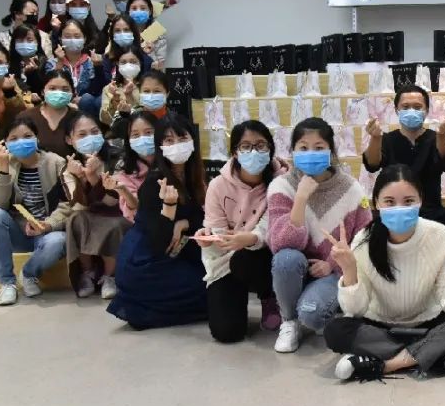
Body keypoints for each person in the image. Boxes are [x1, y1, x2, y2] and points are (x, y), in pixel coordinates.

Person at [324, 165, 445, 381]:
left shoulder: (439, 235)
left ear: (421, 200)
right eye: (389, 202)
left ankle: (386, 363)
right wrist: (349, 272)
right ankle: (434, 352)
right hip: (378, 325)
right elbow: (355, 310)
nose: (399, 208)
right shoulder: (363, 241)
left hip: (428, 321)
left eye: (409, 201)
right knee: (335, 330)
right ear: (376, 203)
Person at [266, 117, 373, 353]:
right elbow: (281, 243)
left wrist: (331, 264)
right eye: (303, 148)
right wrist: (301, 198)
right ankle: (289, 322)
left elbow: (364, 239)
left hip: (333, 272)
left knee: (312, 314)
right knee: (286, 258)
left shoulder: (351, 189)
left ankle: (318, 308)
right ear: (293, 151)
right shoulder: (281, 186)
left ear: (331, 151)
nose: (311, 154)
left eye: (319, 147)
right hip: (294, 271)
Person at [107, 114, 209, 329]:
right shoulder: (155, 181)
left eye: (182, 138)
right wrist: (169, 207)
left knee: (218, 284)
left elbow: (197, 215)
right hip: (145, 262)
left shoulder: (193, 175)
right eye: (169, 141)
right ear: (160, 147)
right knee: (209, 291)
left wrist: (184, 223)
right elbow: (158, 240)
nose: (177, 145)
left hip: (172, 252)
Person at [197, 120, 289, 343]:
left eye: (260, 145)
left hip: (264, 254)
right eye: (246, 146)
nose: (254, 152)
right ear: (235, 153)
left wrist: (251, 238)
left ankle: (269, 296)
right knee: (227, 332)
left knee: (247, 259)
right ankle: (237, 297)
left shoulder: (281, 182)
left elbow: (273, 223)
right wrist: (208, 239)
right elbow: (216, 230)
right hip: (224, 260)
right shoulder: (218, 185)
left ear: (270, 148)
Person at [0, 118, 71, 306]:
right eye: (14, 138)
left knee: (58, 241)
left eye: (27, 136)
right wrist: (2, 169)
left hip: (47, 230)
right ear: (4, 143)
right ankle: (7, 283)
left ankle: (29, 275)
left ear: (37, 138)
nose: (21, 142)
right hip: (18, 231)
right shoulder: (1, 164)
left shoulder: (56, 163)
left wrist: (47, 225)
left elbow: (68, 203)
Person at [362, 84, 445, 232]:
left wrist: (442, 135)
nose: (411, 111)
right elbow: (372, 165)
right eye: (405, 107)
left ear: (426, 111)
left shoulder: (436, 137)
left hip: (428, 211)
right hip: (395, 210)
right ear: (397, 110)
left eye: (417, 107)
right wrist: (375, 137)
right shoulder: (387, 139)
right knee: (369, 220)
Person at [63, 112, 129, 300]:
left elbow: (113, 202)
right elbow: (78, 206)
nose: (90, 138)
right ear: (69, 140)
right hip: (89, 214)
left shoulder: (117, 157)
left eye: (94, 132)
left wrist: (93, 178)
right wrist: (80, 179)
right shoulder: (69, 166)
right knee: (76, 219)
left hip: (118, 213)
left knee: (115, 224)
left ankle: (110, 277)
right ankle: (88, 273)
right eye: (82, 135)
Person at [16, 69, 75, 157]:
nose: (59, 93)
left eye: (65, 89)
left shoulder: (79, 118)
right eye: (52, 88)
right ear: (43, 91)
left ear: (72, 92)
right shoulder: (25, 117)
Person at [52, 19, 104, 116]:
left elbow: (98, 90)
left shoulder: (92, 62)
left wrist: (98, 67)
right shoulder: (52, 63)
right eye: (67, 36)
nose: (72, 40)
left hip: (87, 109)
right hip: (61, 106)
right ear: (60, 39)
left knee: (88, 100)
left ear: (84, 39)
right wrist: (59, 63)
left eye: (77, 36)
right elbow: (50, 88)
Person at [113, 112, 157, 222]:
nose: (143, 138)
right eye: (136, 135)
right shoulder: (123, 169)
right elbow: (132, 212)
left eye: (148, 132)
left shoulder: (171, 159)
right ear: (128, 139)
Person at [101, 49, 146, 127]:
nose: (128, 66)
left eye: (133, 62)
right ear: (118, 64)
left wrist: (129, 96)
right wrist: (115, 99)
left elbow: (146, 115)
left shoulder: (147, 87)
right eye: (123, 62)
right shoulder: (110, 88)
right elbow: (105, 119)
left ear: (140, 63)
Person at [8, 23, 50, 100]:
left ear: (38, 42)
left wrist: (33, 74)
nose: (24, 43)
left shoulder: (47, 64)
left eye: (29, 40)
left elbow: (45, 90)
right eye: (20, 40)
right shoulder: (8, 64)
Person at [128, 0, 168, 68]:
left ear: (150, 11)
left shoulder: (157, 32)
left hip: (149, 74)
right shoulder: (121, 32)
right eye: (134, 8)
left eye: (143, 8)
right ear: (128, 12)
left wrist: (150, 53)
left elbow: (160, 67)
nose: (138, 11)